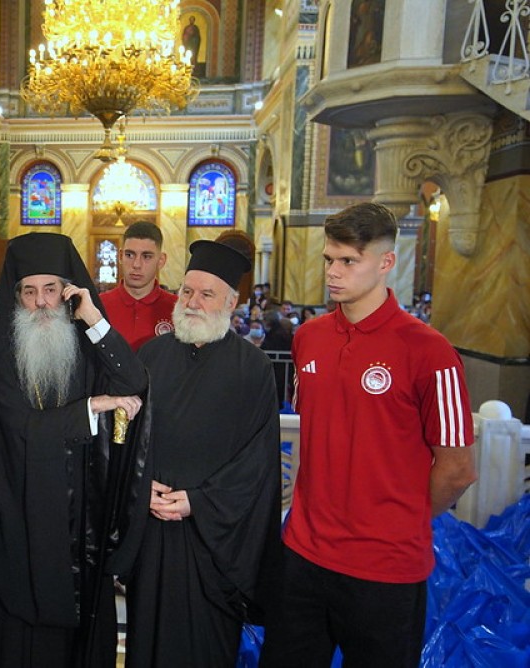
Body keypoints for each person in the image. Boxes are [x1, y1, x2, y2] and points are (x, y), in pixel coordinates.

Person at [260, 202, 478, 666]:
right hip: (303, 553)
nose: (333, 273)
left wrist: (399, 519)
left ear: (386, 263)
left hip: (386, 570)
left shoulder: (430, 352)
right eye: (328, 260)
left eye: (348, 261)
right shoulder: (309, 338)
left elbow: (458, 469)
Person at [0, 232, 147, 667]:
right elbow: (19, 426)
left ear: (68, 291)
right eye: (29, 292)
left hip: (83, 517)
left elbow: (133, 386)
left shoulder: (87, 339)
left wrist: (93, 317)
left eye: (51, 289)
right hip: (23, 513)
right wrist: (89, 409)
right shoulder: (4, 352)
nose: (41, 302)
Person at [123, 241, 280, 667]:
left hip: (213, 541)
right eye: (187, 292)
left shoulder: (254, 369)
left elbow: (258, 465)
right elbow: (129, 437)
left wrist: (199, 502)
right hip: (152, 531)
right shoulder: (150, 356)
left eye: (206, 294)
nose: (192, 302)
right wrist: (140, 487)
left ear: (231, 303)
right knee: (146, 640)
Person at [99, 222, 177, 351]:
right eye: (130, 255)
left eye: (146, 256)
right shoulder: (98, 306)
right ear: (120, 256)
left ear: (161, 261)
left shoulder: (177, 308)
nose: (136, 264)